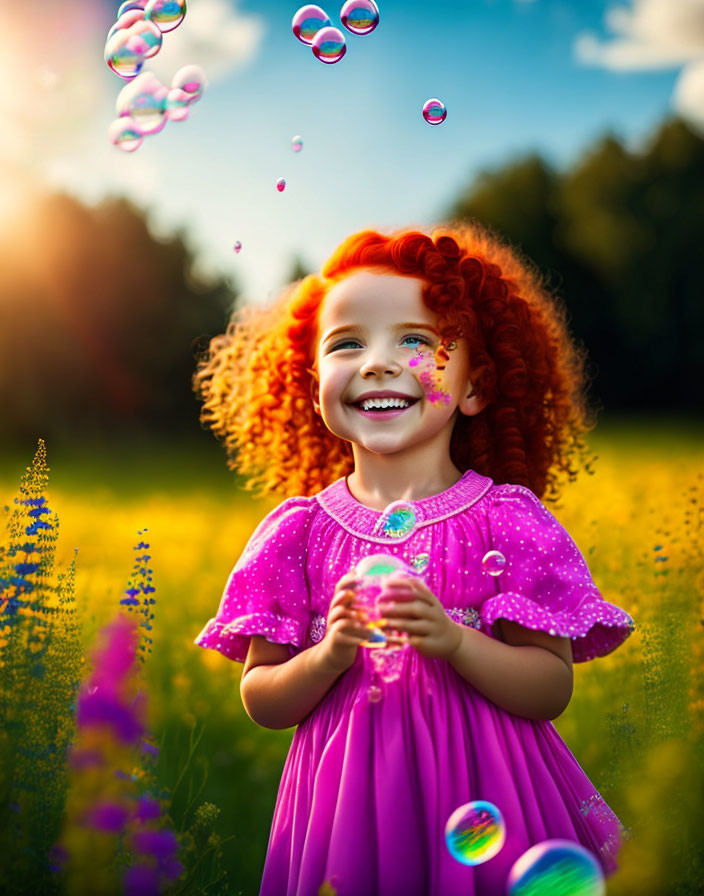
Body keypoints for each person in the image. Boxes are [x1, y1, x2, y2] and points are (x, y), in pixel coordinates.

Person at [193, 222, 635, 896]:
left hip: (495, 794)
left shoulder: (506, 521)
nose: (376, 361)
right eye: (347, 343)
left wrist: (453, 641)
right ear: (312, 384)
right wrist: (329, 653)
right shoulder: (298, 533)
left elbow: (551, 689)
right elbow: (262, 698)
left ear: (476, 386)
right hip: (345, 812)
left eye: (415, 340)